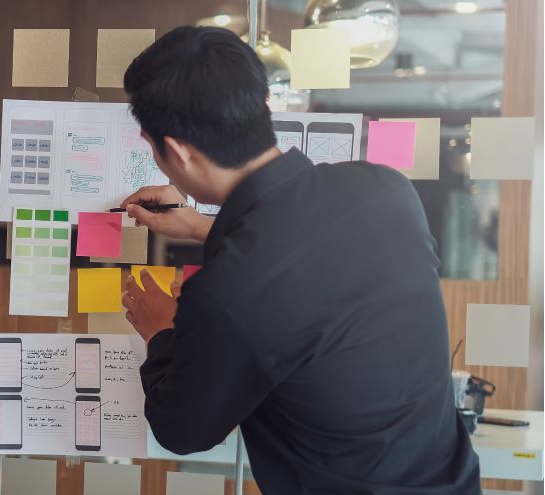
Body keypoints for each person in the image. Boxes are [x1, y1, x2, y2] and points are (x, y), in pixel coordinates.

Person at [118, 26, 481, 494]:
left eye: (151, 145)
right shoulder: (385, 191)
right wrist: (200, 226)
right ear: (262, 102)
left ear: (180, 151)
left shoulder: (226, 295)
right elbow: (305, 267)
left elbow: (182, 429)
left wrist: (161, 332)